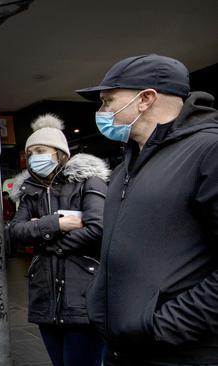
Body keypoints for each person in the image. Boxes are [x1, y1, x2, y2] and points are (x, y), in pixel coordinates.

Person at [76, 54, 218, 365]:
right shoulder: (128, 163)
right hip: (121, 348)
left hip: (178, 354)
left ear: (145, 99)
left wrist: (162, 327)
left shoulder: (209, 151)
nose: (102, 112)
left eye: (108, 100)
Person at [9, 114, 109, 366]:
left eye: (40, 150)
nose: (34, 157)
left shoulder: (88, 182)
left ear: (59, 153)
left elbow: (99, 229)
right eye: (30, 153)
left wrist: (43, 236)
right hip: (45, 298)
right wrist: (59, 224)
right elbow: (15, 232)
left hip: (83, 297)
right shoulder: (29, 191)